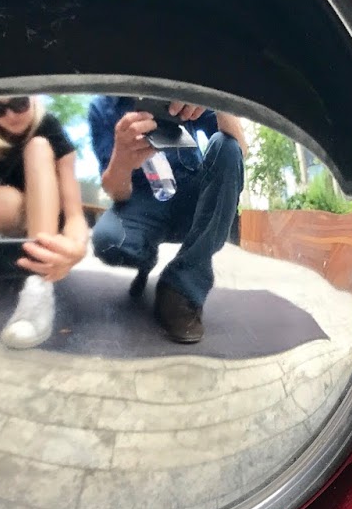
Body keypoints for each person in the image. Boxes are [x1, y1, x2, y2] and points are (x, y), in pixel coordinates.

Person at [88, 97, 247, 344]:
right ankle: (145, 257)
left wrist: (214, 96)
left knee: (227, 146)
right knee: (108, 240)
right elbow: (116, 192)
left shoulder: (182, 84)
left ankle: (183, 286)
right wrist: (122, 159)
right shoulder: (102, 107)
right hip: (140, 200)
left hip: (193, 192)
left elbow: (239, 151)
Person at [0, 96, 89, 350]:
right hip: (11, 212)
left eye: (19, 103)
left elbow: (74, 214)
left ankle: (39, 284)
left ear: (32, 98)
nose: (11, 115)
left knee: (38, 145)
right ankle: (30, 257)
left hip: (53, 222)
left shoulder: (48, 126)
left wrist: (77, 247)